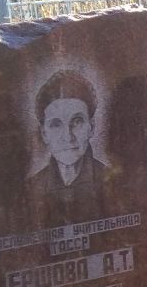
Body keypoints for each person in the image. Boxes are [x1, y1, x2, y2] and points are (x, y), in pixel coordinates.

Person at [28, 69, 108, 197]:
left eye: (77, 122)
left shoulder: (113, 182)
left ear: (91, 127)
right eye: (56, 124)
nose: (68, 137)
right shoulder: (31, 189)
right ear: (44, 133)